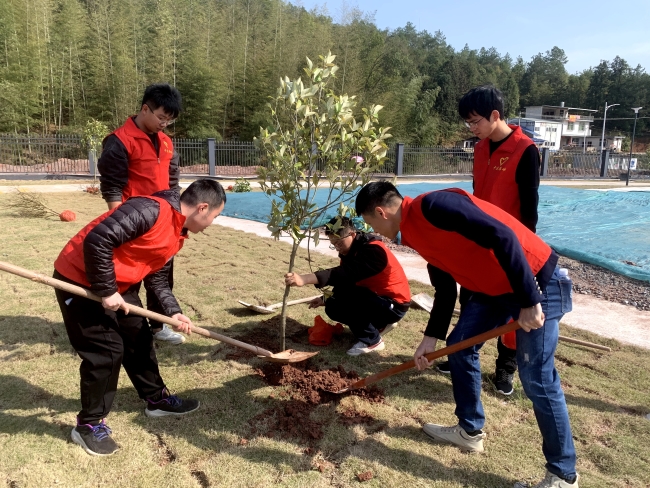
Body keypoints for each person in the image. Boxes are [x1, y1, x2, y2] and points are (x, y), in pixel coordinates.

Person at [356, 182, 578, 488]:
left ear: (381, 212)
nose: (377, 232)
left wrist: (529, 300)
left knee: (537, 378)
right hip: (494, 289)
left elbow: (503, 235)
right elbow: (445, 289)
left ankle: (563, 475)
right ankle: (470, 430)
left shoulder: (434, 206)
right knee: (458, 346)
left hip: (535, 280)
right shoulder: (414, 235)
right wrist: (429, 338)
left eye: (372, 224)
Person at [53, 179, 227, 456]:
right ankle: (88, 425)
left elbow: (156, 279)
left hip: (120, 284)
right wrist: (107, 290)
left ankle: (156, 399)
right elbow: (97, 240)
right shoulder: (148, 211)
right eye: (214, 217)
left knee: (139, 338)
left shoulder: (177, 231)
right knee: (107, 352)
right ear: (202, 208)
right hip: (80, 280)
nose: (211, 224)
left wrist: (173, 311)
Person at [436, 85, 541, 397]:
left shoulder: (525, 150)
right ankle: (464, 352)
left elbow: (530, 208)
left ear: (495, 115)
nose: (472, 128)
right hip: (479, 242)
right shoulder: (480, 148)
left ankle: (505, 369)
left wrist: (524, 256)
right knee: (471, 302)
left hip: (511, 246)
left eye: (475, 122)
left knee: (510, 309)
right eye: (468, 123)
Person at [98, 82, 184, 345]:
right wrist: (118, 227)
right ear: (145, 109)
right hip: (132, 222)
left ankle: (159, 327)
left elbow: (173, 183)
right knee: (128, 278)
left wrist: (176, 220)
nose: (163, 125)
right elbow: (112, 188)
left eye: (169, 121)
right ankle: (121, 326)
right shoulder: (119, 141)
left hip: (161, 223)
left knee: (161, 277)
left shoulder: (167, 144)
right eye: (161, 118)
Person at [284, 216, 411, 356]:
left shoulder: (374, 251)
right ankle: (378, 325)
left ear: (352, 234)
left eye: (339, 242)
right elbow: (346, 282)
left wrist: (306, 278)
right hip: (377, 298)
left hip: (393, 305)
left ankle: (373, 341)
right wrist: (325, 298)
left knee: (341, 304)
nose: (337, 247)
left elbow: (343, 274)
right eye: (333, 244)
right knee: (333, 305)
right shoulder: (352, 250)